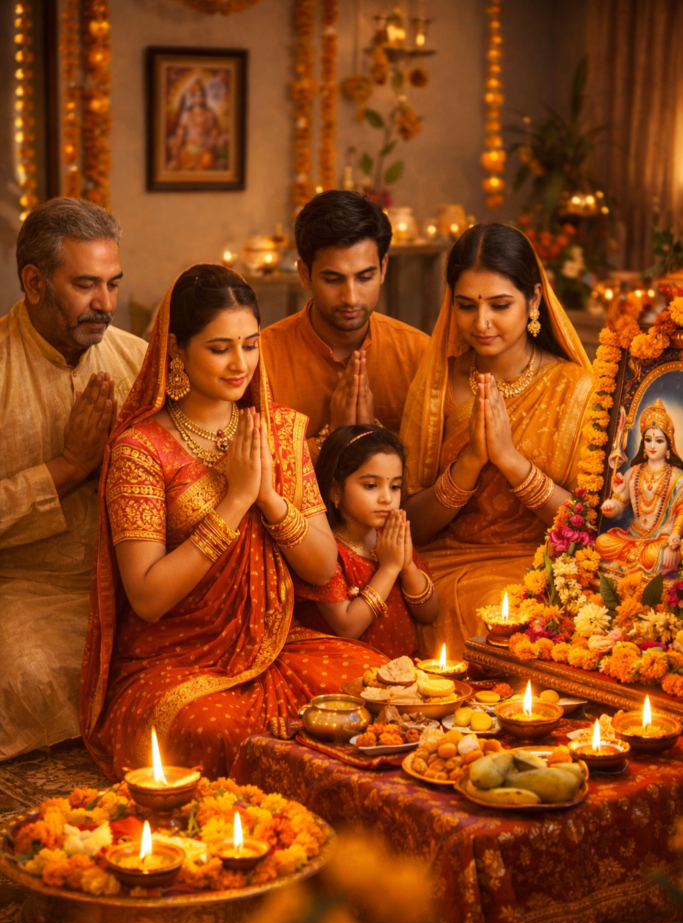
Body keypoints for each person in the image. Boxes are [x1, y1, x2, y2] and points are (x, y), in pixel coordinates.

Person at [80, 264, 385, 781]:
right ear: (176, 350)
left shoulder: (281, 431)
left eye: (250, 344)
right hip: (172, 662)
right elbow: (148, 598)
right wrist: (235, 499)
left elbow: (321, 565)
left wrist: (266, 496)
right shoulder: (140, 450)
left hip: (273, 644)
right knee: (219, 734)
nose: (239, 363)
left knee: (378, 685)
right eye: (219, 348)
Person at [401, 223, 594, 659]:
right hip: (449, 563)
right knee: (470, 608)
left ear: (534, 300)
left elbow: (589, 525)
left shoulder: (577, 389)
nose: (481, 322)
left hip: (547, 565)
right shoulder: (438, 387)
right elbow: (409, 521)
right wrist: (470, 462)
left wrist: (510, 461)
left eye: (500, 305)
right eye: (466, 306)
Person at [0, 197, 146, 761]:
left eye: (113, 284)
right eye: (86, 285)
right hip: (26, 589)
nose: (104, 305)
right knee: (27, 673)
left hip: (132, 581)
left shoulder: (136, 361)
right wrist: (69, 468)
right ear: (34, 283)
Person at [260, 190, 429, 463]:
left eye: (364, 277)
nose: (351, 297)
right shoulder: (262, 358)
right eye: (333, 279)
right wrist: (331, 439)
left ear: (383, 268)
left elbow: (433, 464)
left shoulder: (419, 354)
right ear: (305, 274)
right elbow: (251, 469)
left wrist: (372, 435)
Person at [294, 425, 439, 658]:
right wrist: (390, 568)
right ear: (335, 491)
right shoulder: (324, 551)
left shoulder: (390, 536)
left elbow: (429, 614)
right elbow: (347, 627)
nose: (387, 498)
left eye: (395, 486)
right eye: (371, 485)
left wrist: (407, 566)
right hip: (345, 665)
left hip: (403, 668)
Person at [597, 398, 683, 575]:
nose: (652, 445)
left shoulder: (678, 477)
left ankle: (636, 561)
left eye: (659, 441)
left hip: (661, 539)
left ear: (668, 444)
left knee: (657, 554)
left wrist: (675, 536)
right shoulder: (633, 472)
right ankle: (638, 561)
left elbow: (682, 511)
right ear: (643, 442)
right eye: (648, 439)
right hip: (632, 536)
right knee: (601, 542)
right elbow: (618, 507)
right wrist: (610, 505)